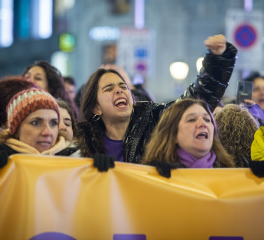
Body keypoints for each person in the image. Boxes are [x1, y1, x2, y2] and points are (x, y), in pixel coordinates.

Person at [77, 34, 237, 171]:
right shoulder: (83, 139)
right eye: (109, 88)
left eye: (123, 86)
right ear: (96, 108)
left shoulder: (154, 117)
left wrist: (218, 60)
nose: (119, 91)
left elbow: (196, 99)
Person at [141, 98, 235, 177]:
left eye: (207, 119)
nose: (203, 124)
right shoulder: (153, 177)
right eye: (191, 120)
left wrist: (248, 180)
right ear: (173, 135)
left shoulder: (230, 174)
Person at [0, 88, 74, 172]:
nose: (47, 132)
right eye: (35, 123)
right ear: (16, 130)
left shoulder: (75, 161)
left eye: (53, 123)